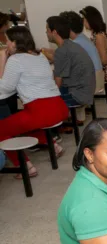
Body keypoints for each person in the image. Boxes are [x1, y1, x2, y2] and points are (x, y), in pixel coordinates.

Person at [0, 26, 68, 177]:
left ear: (15, 42)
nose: (6, 44)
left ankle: (25, 166)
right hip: (59, 107)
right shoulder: (39, 56)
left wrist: (3, 59)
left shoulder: (15, 60)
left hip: (41, 111)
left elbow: (4, 88)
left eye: (8, 41)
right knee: (22, 120)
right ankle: (54, 145)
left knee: (1, 129)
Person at [46, 16, 96, 109]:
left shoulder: (62, 50)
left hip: (77, 96)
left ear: (54, 32)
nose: (46, 33)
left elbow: (57, 83)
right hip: (86, 92)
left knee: (42, 101)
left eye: (47, 30)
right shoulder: (71, 45)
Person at [81, 6, 107, 84]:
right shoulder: (96, 34)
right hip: (103, 68)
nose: (83, 22)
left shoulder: (99, 36)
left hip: (106, 71)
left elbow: (104, 60)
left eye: (84, 19)